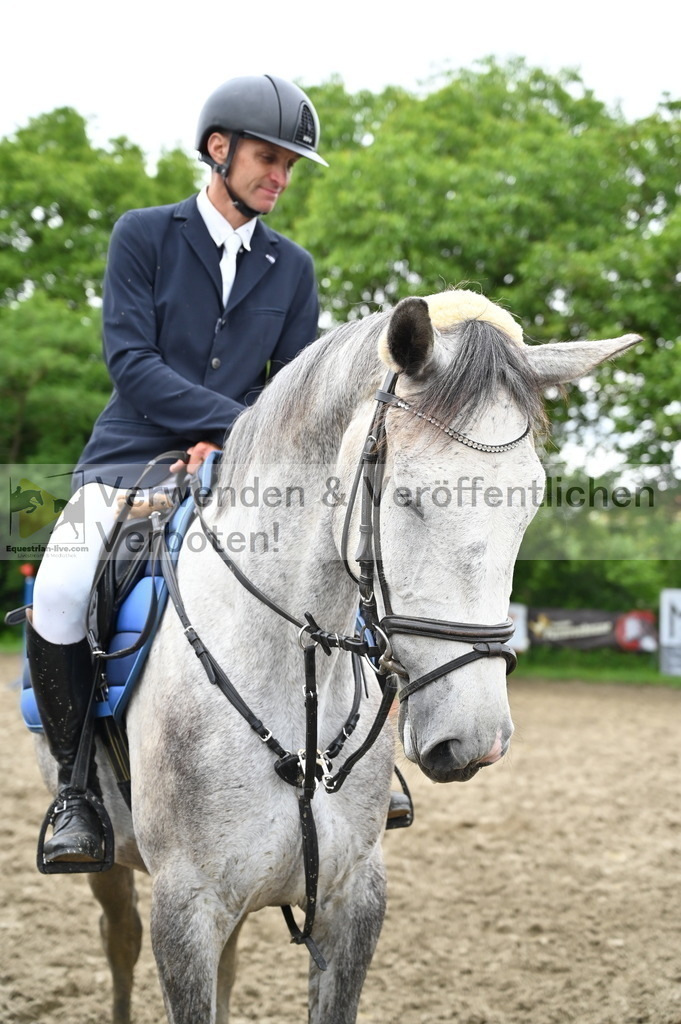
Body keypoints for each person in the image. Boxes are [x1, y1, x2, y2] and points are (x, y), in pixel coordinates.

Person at [26, 74, 329, 867]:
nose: (280, 177)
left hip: (244, 467)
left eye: (291, 166)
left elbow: (290, 384)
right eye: (269, 158)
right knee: (60, 587)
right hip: (129, 453)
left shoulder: (292, 268)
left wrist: (240, 445)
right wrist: (230, 425)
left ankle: (368, 763)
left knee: (338, 555)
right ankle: (76, 792)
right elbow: (131, 361)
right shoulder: (144, 235)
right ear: (218, 148)